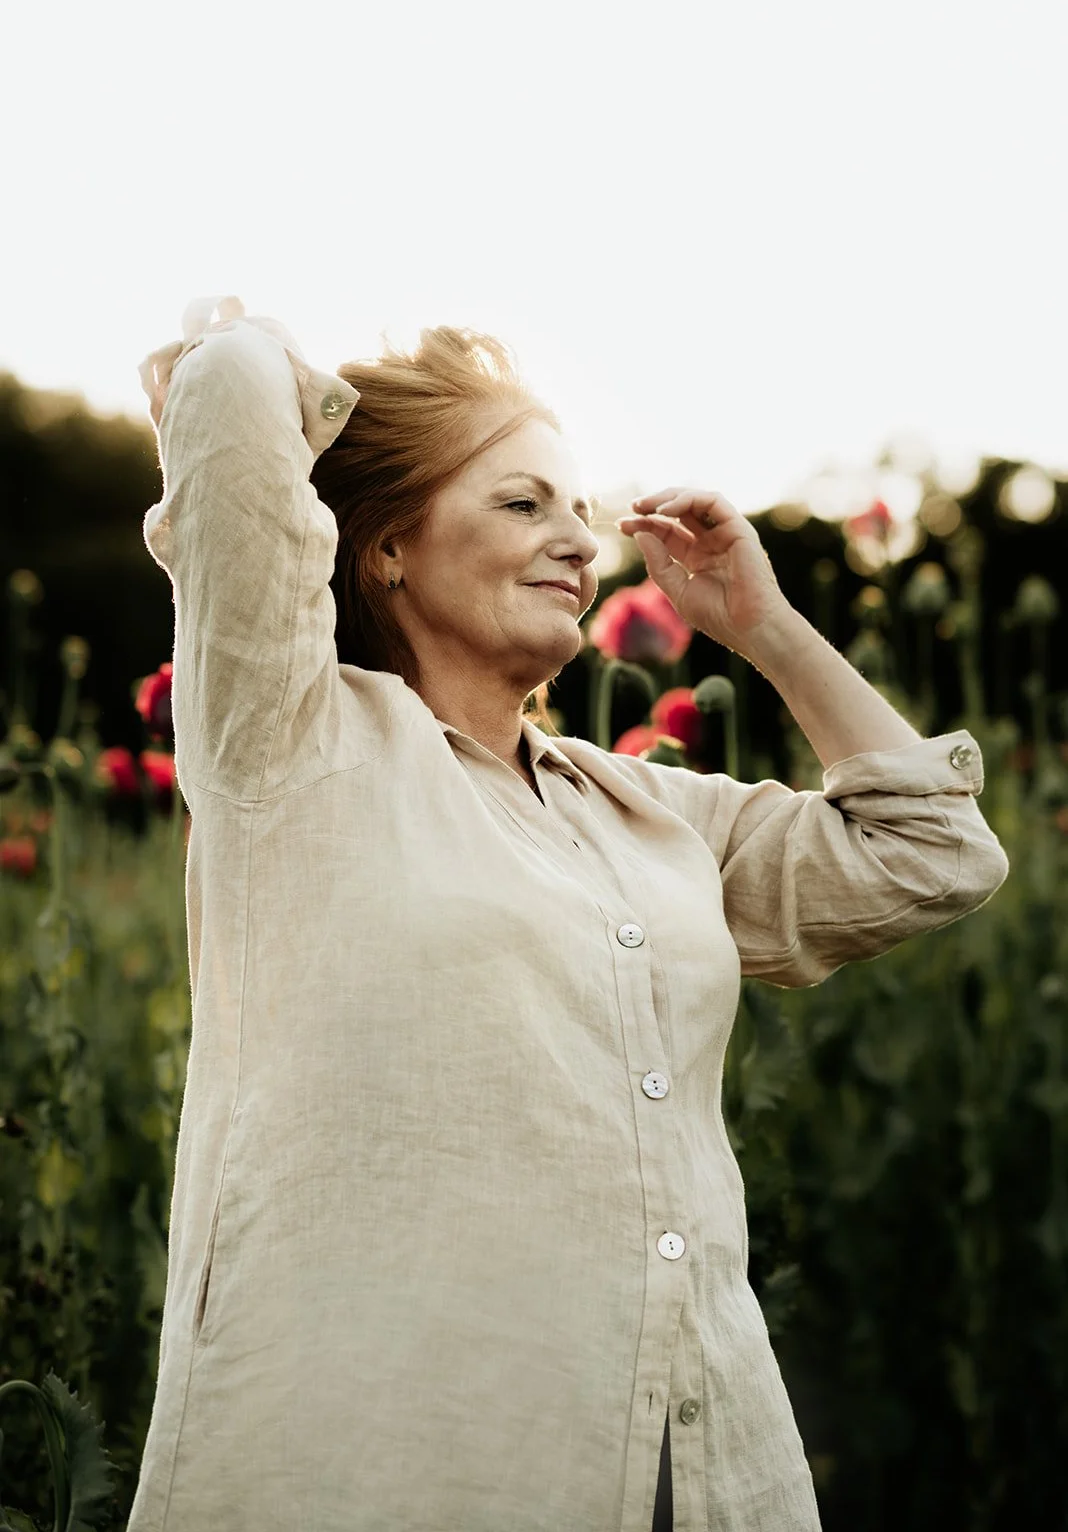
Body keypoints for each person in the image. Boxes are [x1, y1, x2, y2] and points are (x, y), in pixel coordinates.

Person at [129, 296, 1008, 1532]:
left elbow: (933, 854)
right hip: (415, 1477)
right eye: (523, 502)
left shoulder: (641, 810)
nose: (579, 543)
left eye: (580, 510)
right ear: (387, 546)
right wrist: (282, 388)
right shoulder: (290, 744)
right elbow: (226, 383)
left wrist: (763, 628)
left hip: (705, 1471)